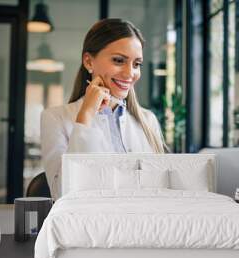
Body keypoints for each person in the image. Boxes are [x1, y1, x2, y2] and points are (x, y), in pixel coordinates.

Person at [41, 18, 167, 201]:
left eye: (136, 64)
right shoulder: (54, 118)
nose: (130, 73)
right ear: (88, 61)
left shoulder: (148, 120)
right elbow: (62, 194)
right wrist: (86, 116)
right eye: (118, 60)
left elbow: (160, 191)